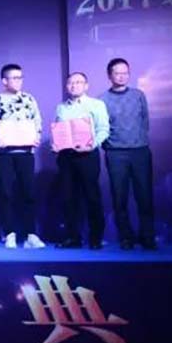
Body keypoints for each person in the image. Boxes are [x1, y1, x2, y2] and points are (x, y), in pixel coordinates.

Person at [0, 63, 45, 249]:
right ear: (4, 81)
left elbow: (37, 122)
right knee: (6, 193)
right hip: (4, 155)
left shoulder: (29, 99)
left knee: (28, 193)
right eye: (14, 78)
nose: (18, 81)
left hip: (25, 154)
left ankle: (31, 234)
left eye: (20, 77)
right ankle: (9, 233)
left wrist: (36, 136)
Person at [100, 58, 156, 250]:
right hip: (116, 153)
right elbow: (101, 127)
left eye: (125, 72)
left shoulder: (139, 95)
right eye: (118, 73)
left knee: (145, 196)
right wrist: (111, 145)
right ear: (110, 75)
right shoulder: (102, 100)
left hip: (140, 151)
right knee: (119, 197)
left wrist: (139, 140)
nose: (122, 76)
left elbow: (145, 121)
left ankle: (147, 236)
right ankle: (126, 237)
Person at [53, 72, 109, 250]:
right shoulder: (61, 108)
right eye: (70, 83)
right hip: (66, 157)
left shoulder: (96, 105)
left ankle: (96, 237)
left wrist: (92, 145)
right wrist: (56, 144)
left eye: (78, 82)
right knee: (68, 197)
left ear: (86, 85)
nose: (74, 85)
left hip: (87, 155)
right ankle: (72, 237)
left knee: (91, 196)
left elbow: (103, 129)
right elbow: (59, 130)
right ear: (66, 86)